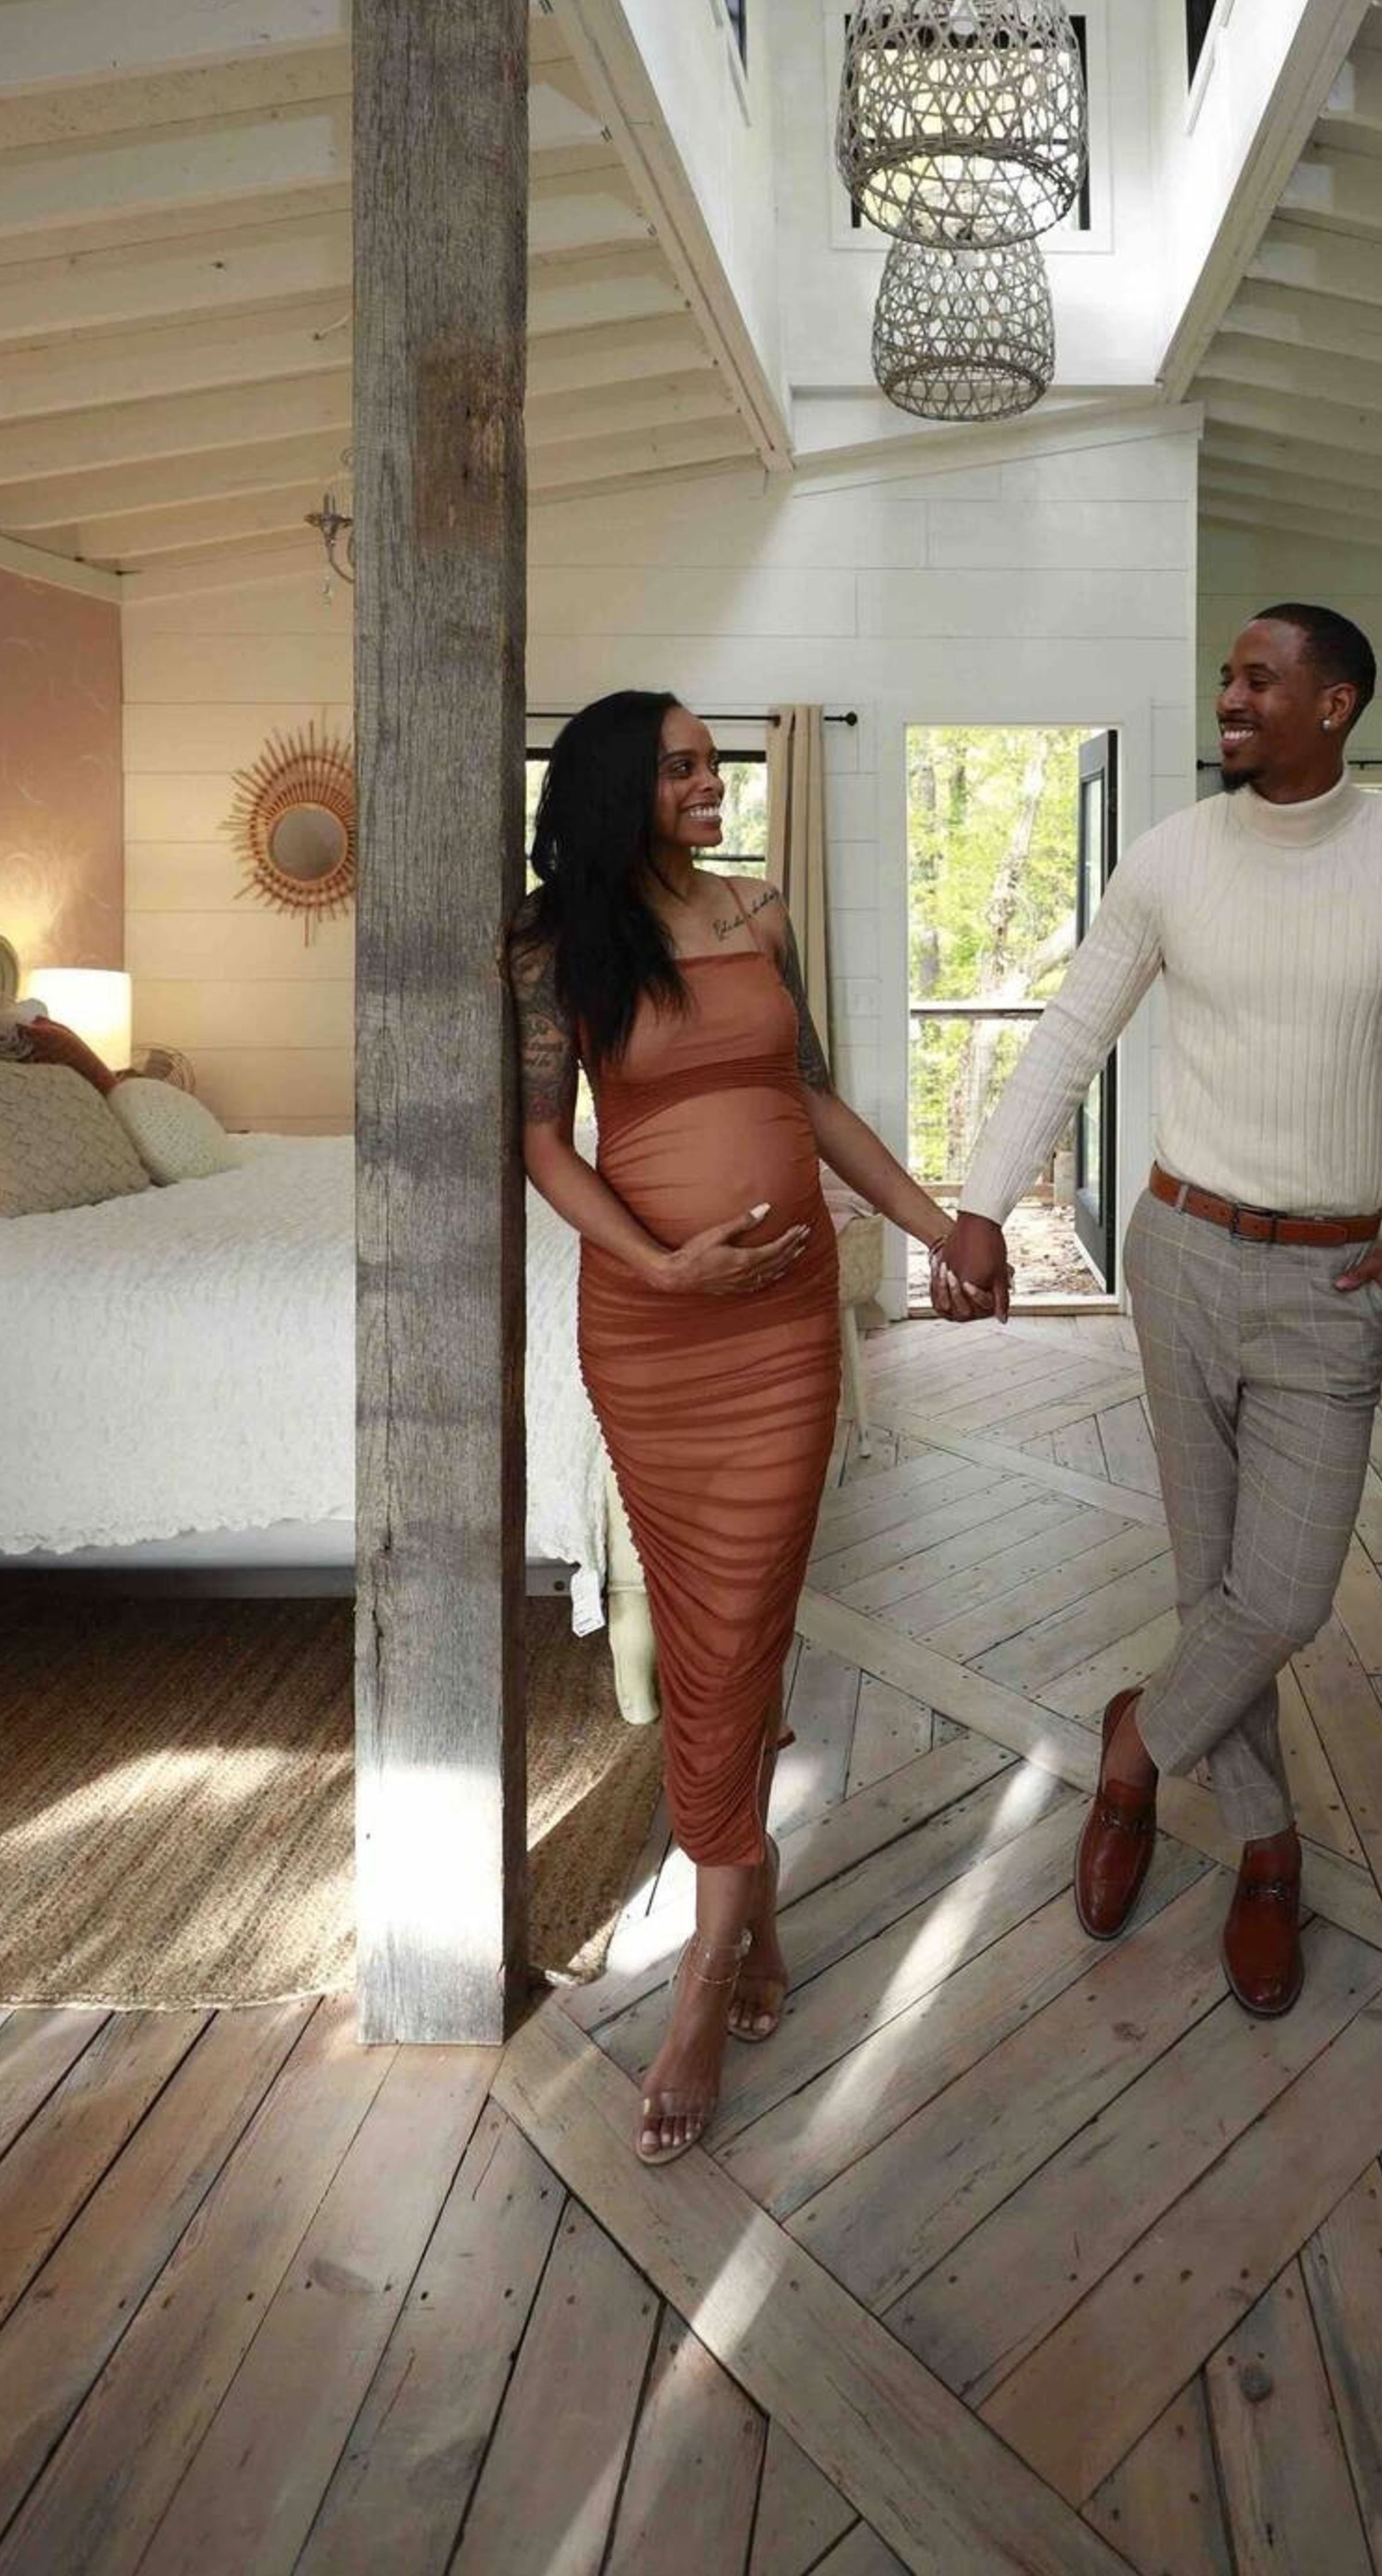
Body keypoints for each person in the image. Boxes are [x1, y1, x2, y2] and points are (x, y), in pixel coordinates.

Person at [936, 606, 1382, 2016]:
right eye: (1227, 676)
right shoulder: (1170, 856)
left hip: (1340, 1284)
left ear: (1336, 701)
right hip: (1181, 1254)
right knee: (1210, 1580)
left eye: (1258, 677)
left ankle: (1135, 1745)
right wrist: (981, 1202)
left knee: (1281, 1595)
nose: (1228, 695)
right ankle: (1271, 1851)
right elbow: (1068, 1034)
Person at [510, 692, 959, 2162]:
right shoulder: (551, 943)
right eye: (687, 765)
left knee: (748, 1614)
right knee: (710, 1630)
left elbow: (812, 1099)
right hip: (653, 1328)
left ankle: (703, 1958)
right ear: (622, 789)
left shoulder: (758, 915)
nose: (716, 781)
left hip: (777, 1328)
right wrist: (655, 1262)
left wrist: (937, 1221)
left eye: (717, 761)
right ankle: (744, 1921)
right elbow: (537, 1138)